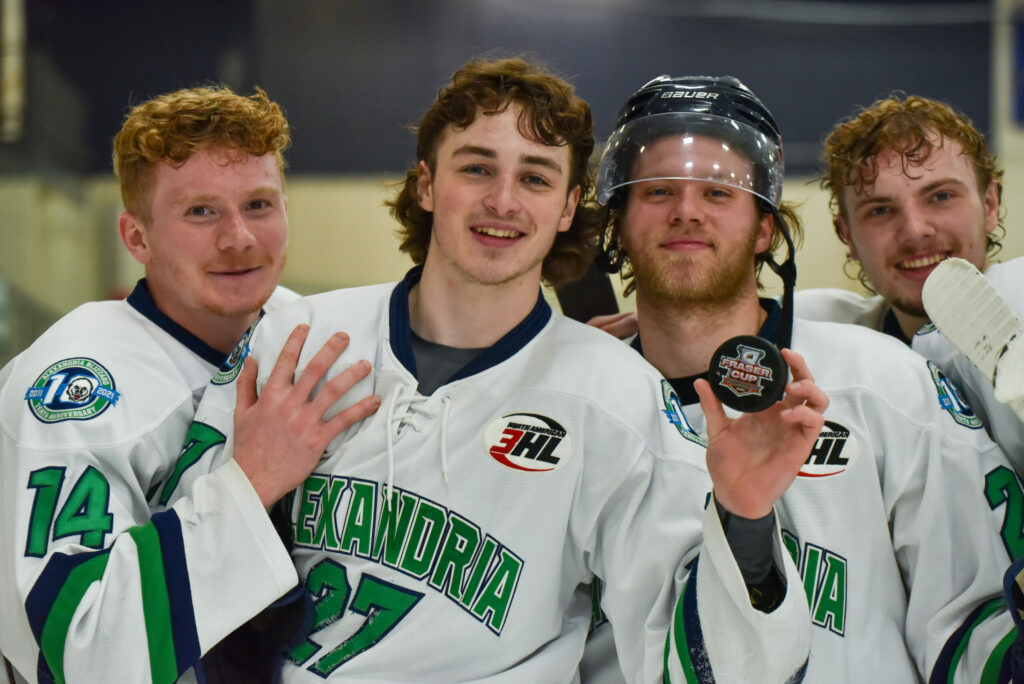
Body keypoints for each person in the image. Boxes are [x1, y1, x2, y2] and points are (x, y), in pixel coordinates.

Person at [165, 57, 830, 682]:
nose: (503, 201)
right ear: (427, 184)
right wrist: (249, 488)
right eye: (477, 169)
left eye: (535, 178)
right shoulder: (298, 338)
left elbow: (712, 663)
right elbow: (166, 599)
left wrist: (745, 519)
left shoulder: (615, 397)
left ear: (568, 207)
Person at [586, 74, 1024, 681]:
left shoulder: (888, 382)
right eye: (659, 191)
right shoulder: (579, 402)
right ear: (618, 223)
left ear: (765, 228)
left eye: (718, 192)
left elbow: (971, 628)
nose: (686, 211)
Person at [0, 86, 379, 683]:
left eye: (258, 204)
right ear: (137, 238)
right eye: (201, 212)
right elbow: (81, 652)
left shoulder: (314, 332)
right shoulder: (76, 383)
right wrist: (252, 483)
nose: (239, 238)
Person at [797, 93, 1024, 472]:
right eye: (880, 210)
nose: (915, 231)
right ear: (848, 237)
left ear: (990, 205)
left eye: (941, 196)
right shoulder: (821, 345)